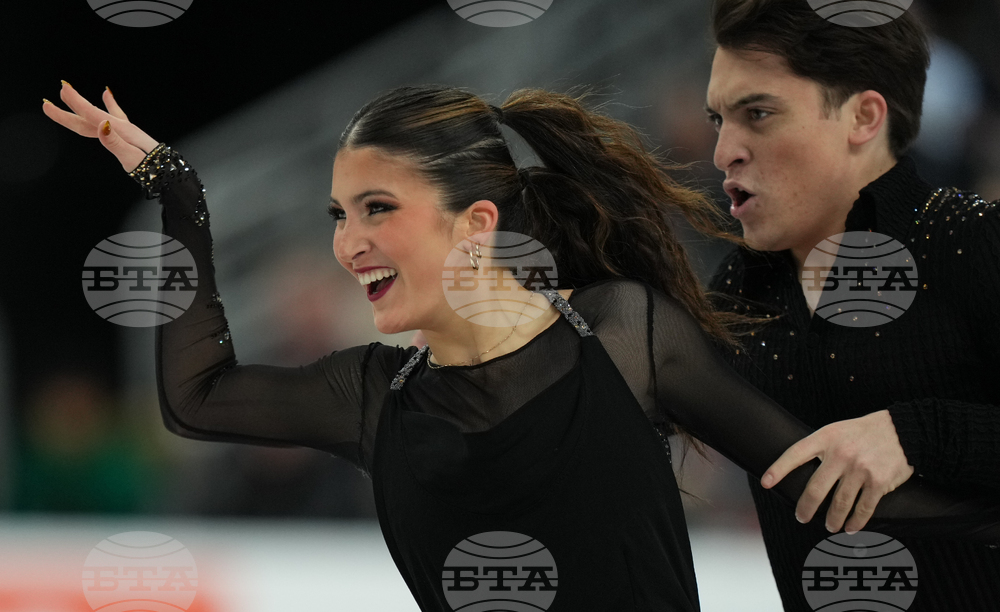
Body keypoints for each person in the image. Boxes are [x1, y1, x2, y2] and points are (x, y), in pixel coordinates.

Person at [43, 80, 1000, 611]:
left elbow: (831, 490)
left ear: (474, 224)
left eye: (378, 209)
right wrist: (178, 193)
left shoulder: (627, 336)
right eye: (339, 214)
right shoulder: (375, 393)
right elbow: (195, 398)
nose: (347, 243)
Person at [704, 0, 1000, 611]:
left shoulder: (971, 244)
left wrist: (916, 435)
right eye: (717, 120)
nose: (725, 150)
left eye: (757, 114)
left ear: (863, 116)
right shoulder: (740, 286)